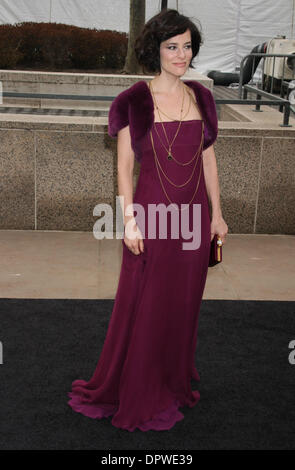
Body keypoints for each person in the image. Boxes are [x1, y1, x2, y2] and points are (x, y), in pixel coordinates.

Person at [67, 8, 228, 432]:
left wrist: (218, 215)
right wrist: (129, 222)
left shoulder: (203, 98)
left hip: (195, 220)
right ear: (154, 50)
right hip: (152, 218)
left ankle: (172, 377)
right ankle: (140, 383)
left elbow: (209, 160)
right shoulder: (133, 100)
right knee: (147, 303)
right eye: (172, 46)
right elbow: (123, 169)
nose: (181, 55)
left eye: (187, 46)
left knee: (184, 302)